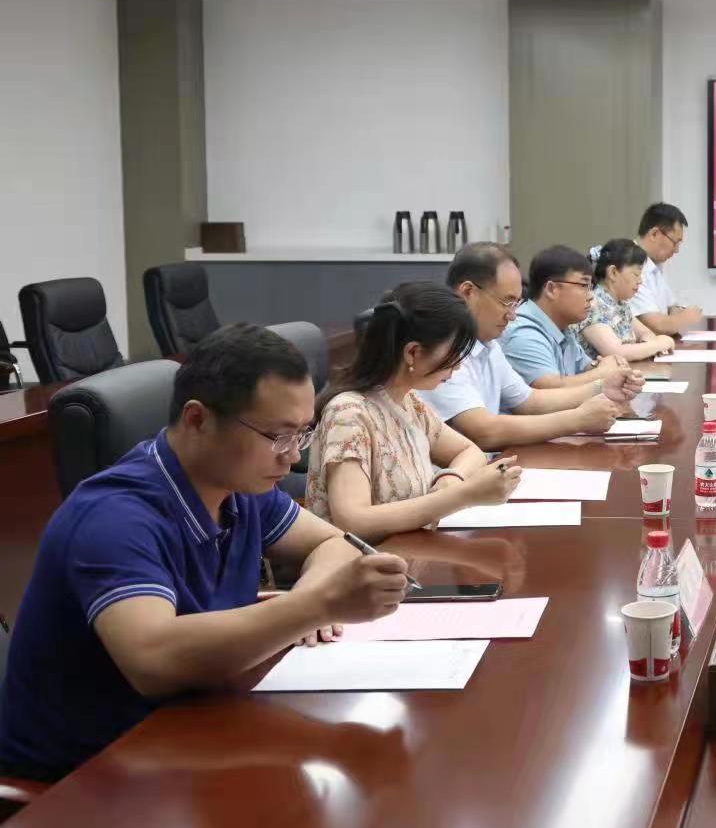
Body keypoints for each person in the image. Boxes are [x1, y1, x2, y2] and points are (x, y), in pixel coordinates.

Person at [0, 324, 412, 780]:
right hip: (84, 780)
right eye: (277, 436)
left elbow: (332, 543)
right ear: (198, 420)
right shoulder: (113, 517)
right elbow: (152, 659)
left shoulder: (240, 486)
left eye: (302, 434)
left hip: (191, 731)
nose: (292, 457)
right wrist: (317, 605)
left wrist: (306, 605)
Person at [306, 283, 524, 542]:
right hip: (360, 561)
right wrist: (462, 495)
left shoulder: (410, 402)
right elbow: (353, 521)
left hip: (409, 552)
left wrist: (452, 478)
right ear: (412, 352)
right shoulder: (348, 415)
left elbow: (469, 451)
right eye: (453, 354)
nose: (457, 366)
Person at [421, 242, 639, 450]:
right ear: (468, 292)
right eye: (507, 302)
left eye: (516, 303)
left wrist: (602, 387)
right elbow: (484, 431)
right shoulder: (439, 348)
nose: (513, 315)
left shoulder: (487, 344)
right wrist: (576, 419)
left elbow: (528, 400)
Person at [501, 245, 633, 388]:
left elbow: (586, 368)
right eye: (584, 285)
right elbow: (551, 388)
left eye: (591, 287)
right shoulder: (523, 332)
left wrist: (610, 366)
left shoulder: (561, 327)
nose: (591, 296)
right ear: (552, 289)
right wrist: (603, 373)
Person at [573, 238, 678, 364]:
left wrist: (648, 345)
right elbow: (616, 352)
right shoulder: (593, 304)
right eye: (636, 274)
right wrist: (658, 345)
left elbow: (645, 333)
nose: (640, 281)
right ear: (613, 272)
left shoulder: (621, 303)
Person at [630, 203, 705, 336]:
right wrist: (684, 318)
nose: (676, 250)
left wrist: (676, 317)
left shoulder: (653, 264)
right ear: (654, 234)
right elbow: (656, 326)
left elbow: (672, 307)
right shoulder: (630, 265)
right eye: (675, 242)